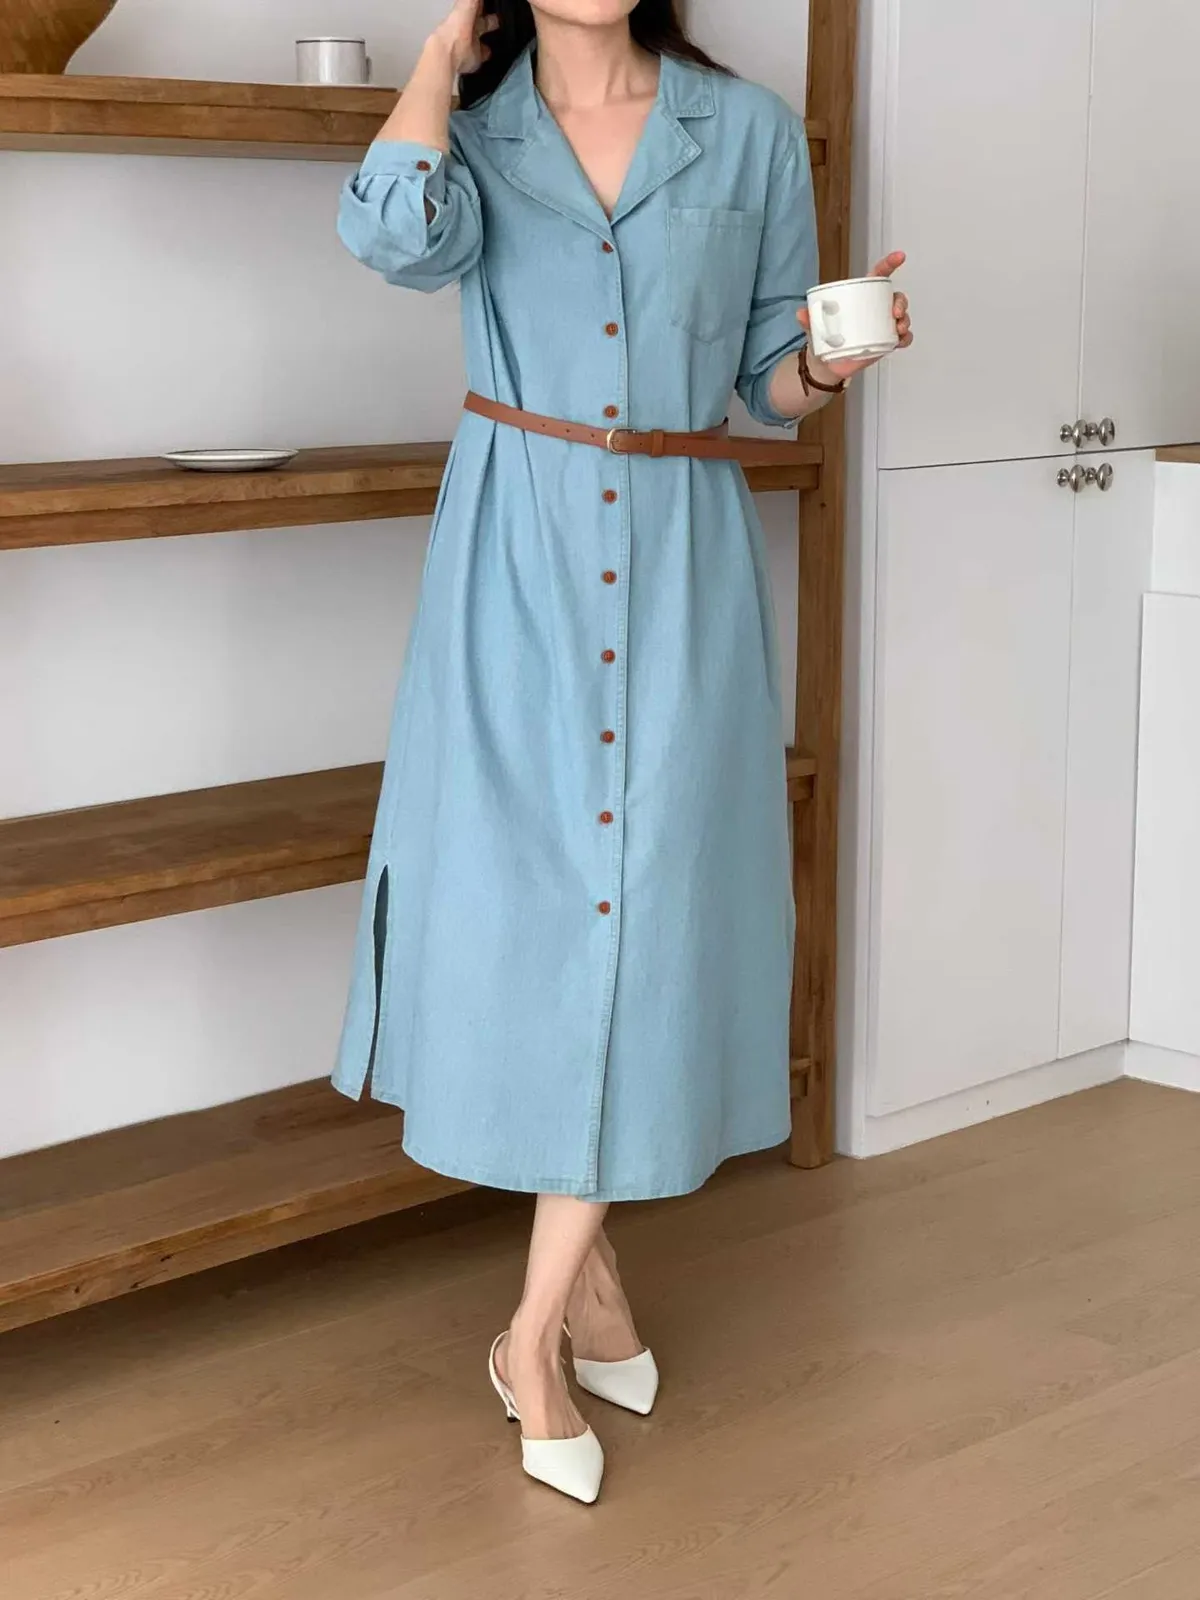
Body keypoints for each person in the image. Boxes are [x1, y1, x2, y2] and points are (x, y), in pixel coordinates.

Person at [331, 0, 911, 1504]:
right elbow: (390, 236)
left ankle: (527, 1335)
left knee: (644, 911)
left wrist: (829, 364)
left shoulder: (750, 131)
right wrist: (437, 63)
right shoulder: (475, 134)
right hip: (512, 559)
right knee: (539, 923)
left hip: (682, 560)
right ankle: (582, 1293)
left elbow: (765, 380)